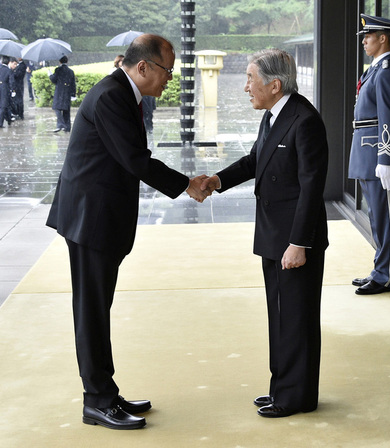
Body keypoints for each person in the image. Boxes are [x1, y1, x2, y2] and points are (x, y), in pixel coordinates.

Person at [46, 34, 211, 430]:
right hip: (90, 219)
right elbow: (136, 160)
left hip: (100, 217)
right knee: (91, 312)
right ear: (143, 67)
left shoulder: (122, 92)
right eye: (167, 71)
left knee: (98, 309)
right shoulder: (111, 96)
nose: (170, 79)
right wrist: (187, 184)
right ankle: (97, 401)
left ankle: (106, 390)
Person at [201, 49, 329, 418]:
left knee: (296, 319)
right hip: (274, 235)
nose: (245, 88)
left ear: (274, 85)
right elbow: (255, 160)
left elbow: (311, 187)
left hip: (294, 240)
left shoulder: (305, 120)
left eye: (250, 80)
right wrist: (218, 180)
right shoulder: (275, 115)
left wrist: (299, 244)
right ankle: (282, 388)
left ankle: (296, 397)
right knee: (281, 316)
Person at [349, 14, 390, 295]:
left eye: (368, 37)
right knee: (376, 218)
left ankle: (386, 275)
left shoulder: (386, 71)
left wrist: (386, 159)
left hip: (378, 156)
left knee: (386, 219)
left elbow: (389, 118)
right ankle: (379, 269)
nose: (364, 42)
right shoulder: (374, 69)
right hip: (365, 153)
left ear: (383, 38)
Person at [48, 55, 76, 132]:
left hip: (59, 92)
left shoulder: (58, 70)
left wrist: (50, 75)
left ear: (59, 62)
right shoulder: (70, 71)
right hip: (67, 92)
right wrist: (73, 94)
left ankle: (60, 124)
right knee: (66, 110)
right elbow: (73, 83)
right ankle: (67, 127)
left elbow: (54, 80)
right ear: (67, 61)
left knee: (56, 108)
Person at [0, 56, 13, 128]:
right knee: (3, 106)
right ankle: (1, 122)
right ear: (8, 62)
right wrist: (12, 90)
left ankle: (7, 119)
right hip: (4, 89)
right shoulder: (8, 70)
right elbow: (11, 81)